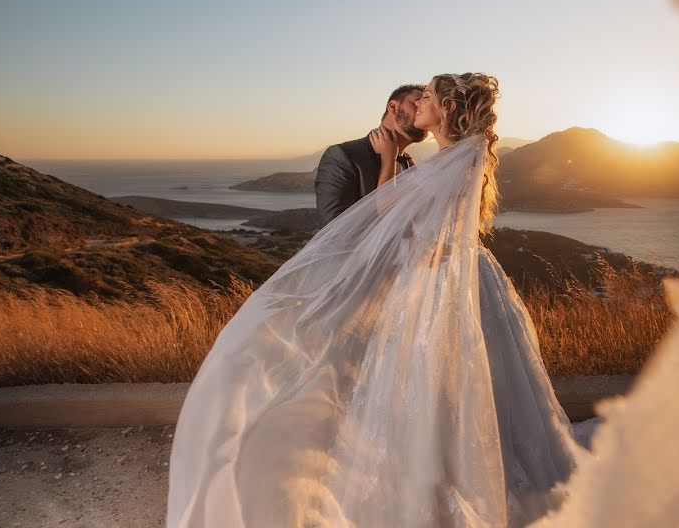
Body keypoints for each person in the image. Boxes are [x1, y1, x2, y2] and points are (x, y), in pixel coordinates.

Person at [166, 73, 579, 528]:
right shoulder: (442, 157)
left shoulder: (443, 161)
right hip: (448, 277)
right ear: (392, 107)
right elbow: (339, 229)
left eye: (427, 98)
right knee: (456, 379)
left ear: (446, 110)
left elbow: (387, 216)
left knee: (441, 379)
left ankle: (449, 471)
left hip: (438, 282)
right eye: (415, 97)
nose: (420, 104)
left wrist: (385, 163)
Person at [314, 83, 427, 227]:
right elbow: (333, 228)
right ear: (393, 107)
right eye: (417, 103)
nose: (422, 109)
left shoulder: (409, 164)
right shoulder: (342, 156)